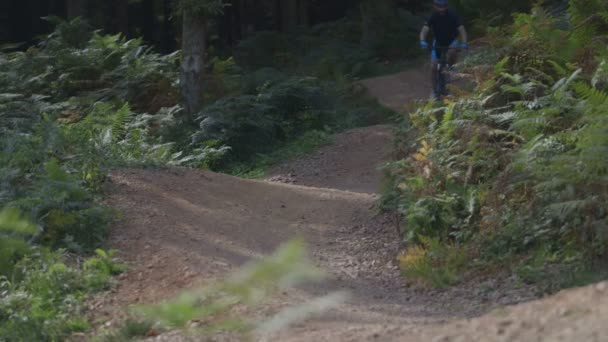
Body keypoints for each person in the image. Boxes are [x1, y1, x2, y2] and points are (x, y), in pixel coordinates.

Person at [419, 0, 468, 98]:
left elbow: (462, 30)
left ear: (446, 6)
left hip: (451, 41)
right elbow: (424, 30)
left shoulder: (453, 15)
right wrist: (422, 40)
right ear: (435, 6)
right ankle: (433, 91)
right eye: (439, 6)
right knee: (433, 67)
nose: (441, 9)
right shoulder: (433, 16)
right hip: (438, 42)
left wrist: (464, 42)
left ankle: (450, 67)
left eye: (443, 6)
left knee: (453, 51)